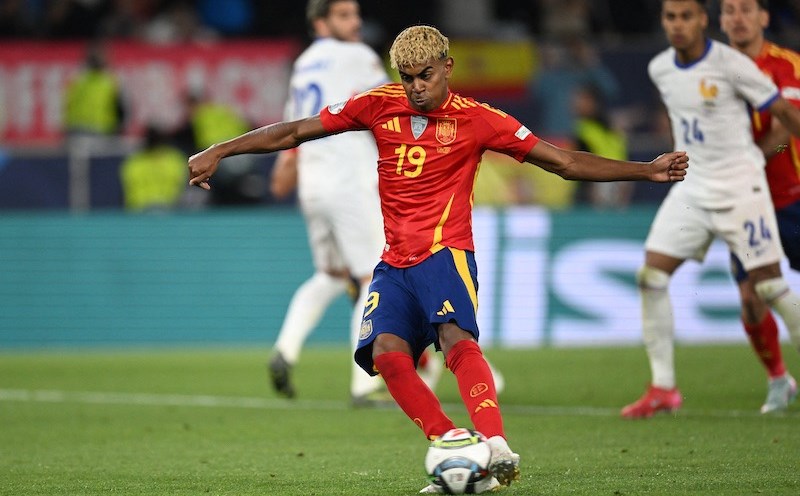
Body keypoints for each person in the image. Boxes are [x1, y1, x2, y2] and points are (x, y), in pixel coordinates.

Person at [187, 25, 688, 493]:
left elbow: (564, 162)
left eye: (424, 76)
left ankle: (494, 444)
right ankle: (454, 446)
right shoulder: (377, 105)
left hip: (445, 255)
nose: (415, 88)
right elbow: (293, 132)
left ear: (447, 67)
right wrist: (221, 150)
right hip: (395, 264)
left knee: (455, 341)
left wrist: (647, 171)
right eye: (406, 78)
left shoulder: (479, 119)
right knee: (383, 353)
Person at [621, 0, 800, 419]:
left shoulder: (735, 65)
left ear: (702, 21)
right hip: (695, 189)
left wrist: (757, 150)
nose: (678, 25)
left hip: (744, 188)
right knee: (651, 274)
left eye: (686, 16)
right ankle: (664, 388)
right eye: (670, 17)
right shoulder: (660, 69)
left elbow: (783, 116)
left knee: (771, 287)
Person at [265, 0, 397, 406]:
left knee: (331, 274)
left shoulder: (303, 64)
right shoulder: (357, 55)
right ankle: (364, 385)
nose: (355, 23)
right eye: (344, 16)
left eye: (356, 14)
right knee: (372, 278)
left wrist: (285, 167)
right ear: (320, 22)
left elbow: (292, 127)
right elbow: (395, 100)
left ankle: (285, 349)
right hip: (348, 179)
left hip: (313, 182)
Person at [719, 0, 800, 413]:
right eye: (729, 10)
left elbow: (787, 130)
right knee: (751, 298)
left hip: (793, 197)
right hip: (745, 206)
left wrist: (752, 158)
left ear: (764, 17)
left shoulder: (787, 65)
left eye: (746, 9)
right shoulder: (709, 73)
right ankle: (778, 380)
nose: (738, 17)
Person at [63, 40, 125, 138]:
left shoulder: (111, 82)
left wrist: (117, 131)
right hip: (81, 131)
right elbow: (68, 105)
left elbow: (122, 110)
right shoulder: (79, 79)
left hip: (100, 132)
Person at [119, 124, 188, 211]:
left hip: (170, 211)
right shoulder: (133, 162)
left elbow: (183, 188)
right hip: (139, 213)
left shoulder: (175, 159)